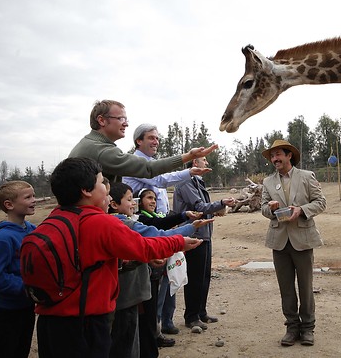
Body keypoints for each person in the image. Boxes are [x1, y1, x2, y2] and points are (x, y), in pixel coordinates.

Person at [35, 157, 202, 358]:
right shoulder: (101, 223)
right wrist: (179, 242)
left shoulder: (51, 221)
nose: (106, 189)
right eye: (100, 183)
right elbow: (143, 247)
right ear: (87, 191)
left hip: (48, 320)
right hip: (86, 320)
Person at [123, 123, 210, 335]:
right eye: (151, 138)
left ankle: (164, 323)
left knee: (169, 276)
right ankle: (153, 329)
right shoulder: (137, 163)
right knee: (153, 283)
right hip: (145, 229)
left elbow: (162, 201)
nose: (156, 142)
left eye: (157, 138)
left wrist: (177, 219)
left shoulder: (151, 163)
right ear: (138, 141)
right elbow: (161, 180)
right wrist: (189, 170)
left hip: (161, 226)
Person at [107, 183, 207, 358]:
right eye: (130, 200)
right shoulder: (123, 223)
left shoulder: (127, 220)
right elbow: (156, 234)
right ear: (113, 204)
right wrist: (189, 229)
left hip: (131, 295)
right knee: (130, 339)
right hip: (128, 297)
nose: (133, 204)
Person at [260, 140, 327, 347]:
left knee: (306, 287)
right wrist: (271, 209)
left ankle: (308, 329)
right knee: (286, 288)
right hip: (279, 241)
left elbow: (320, 202)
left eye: (278, 154)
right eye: (272, 156)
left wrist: (301, 210)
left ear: (289, 155)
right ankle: (291, 327)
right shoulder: (268, 182)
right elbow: (263, 208)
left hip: (303, 240)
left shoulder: (307, 177)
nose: (274, 159)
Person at [69, 100, 218, 183]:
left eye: (126, 119)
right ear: (101, 120)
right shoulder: (101, 150)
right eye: (120, 118)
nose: (126, 124)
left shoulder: (92, 144)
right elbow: (149, 169)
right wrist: (190, 156)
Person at [172, 156, 236, 330]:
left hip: (204, 234)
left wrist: (217, 208)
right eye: (204, 160)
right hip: (193, 234)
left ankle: (201, 312)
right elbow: (199, 207)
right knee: (194, 277)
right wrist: (221, 203)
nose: (207, 163)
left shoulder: (197, 183)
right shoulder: (186, 183)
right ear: (195, 163)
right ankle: (191, 316)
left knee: (204, 276)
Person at [0, 181, 37, 358]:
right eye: (28, 197)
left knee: (22, 349)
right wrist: (28, 287)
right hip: (6, 310)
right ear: (9, 204)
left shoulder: (33, 230)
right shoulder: (3, 238)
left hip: (27, 306)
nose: (34, 200)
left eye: (34, 196)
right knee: (3, 351)